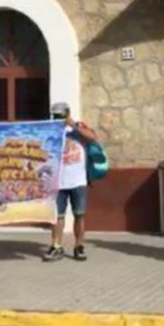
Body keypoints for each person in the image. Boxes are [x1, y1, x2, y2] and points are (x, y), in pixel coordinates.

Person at [43, 102, 99, 262]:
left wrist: (72, 124)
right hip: (58, 182)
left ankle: (79, 246)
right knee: (57, 216)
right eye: (55, 115)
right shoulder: (50, 131)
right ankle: (56, 246)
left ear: (67, 114)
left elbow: (93, 137)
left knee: (79, 215)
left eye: (60, 115)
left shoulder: (78, 128)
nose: (57, 118)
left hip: (78, 181)